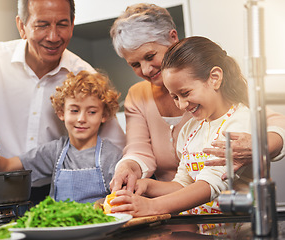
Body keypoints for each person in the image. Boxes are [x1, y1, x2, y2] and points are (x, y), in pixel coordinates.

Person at [0, 0, 125, 202]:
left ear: (72, 25)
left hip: (50, 194)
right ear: (22, 26)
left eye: (62, 24)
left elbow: (115, 146)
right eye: (42, 25)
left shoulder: (84, 76)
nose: (53, 36)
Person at [109, 3, 285, 193]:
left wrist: (258, 145)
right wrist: (127, 167)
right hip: (174, 204)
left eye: (150, 56)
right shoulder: (137, 95)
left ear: (173, 37)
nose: (145, 70)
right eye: (135, 64)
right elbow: (138, 150)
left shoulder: (221, 84)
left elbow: (274, 122)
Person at [110, 36, 257, 235]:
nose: (181, 105)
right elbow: (183, 184)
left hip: (240, 234)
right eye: (175, 97)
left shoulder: (239, 121)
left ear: (214, 78)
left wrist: (151, 207)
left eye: (185, 93)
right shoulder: (190, 129)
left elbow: (208, 186)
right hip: (201, 233)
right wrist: (146, 186)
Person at [0, 70, 122, 203]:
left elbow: (120, 196)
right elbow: (7, 166)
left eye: (91, 112)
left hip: (100, 226)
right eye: (74, 110)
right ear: (61, 113)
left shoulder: (111, 155)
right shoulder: (55, 151)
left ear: (104, 115)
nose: (81, 118)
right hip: (59, 229)